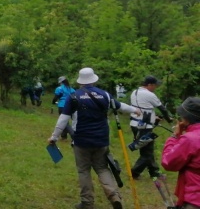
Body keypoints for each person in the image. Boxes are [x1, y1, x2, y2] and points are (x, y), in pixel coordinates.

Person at [48, 67, 141, 209]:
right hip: (101, 140)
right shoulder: (104, 95)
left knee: (84, 170)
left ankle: (87, 203)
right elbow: (121, 106)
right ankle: (114, 196)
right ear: (94, 80)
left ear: (80, 81)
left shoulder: (74, 97)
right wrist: (135, 110)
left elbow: (63, 119)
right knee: (103, 168)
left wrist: (54, 136)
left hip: (81, 141)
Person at [129, 75, 173, 179]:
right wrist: (169, 119)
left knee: (146, 150)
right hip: (145, 127)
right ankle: (135, 172)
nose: (155, 87)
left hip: (135, 125)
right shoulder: (150, 95)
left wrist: (153, 117)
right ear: (149, 85)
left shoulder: (134, 92)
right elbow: (162, 109)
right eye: (154, 85)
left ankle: (154, 172)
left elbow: (142, 108)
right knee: (147, 152)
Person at [161, 97, 200, 209]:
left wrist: (174, 136)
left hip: (195, 198)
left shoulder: (190, 139)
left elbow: (169, 162)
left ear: (187, 119)